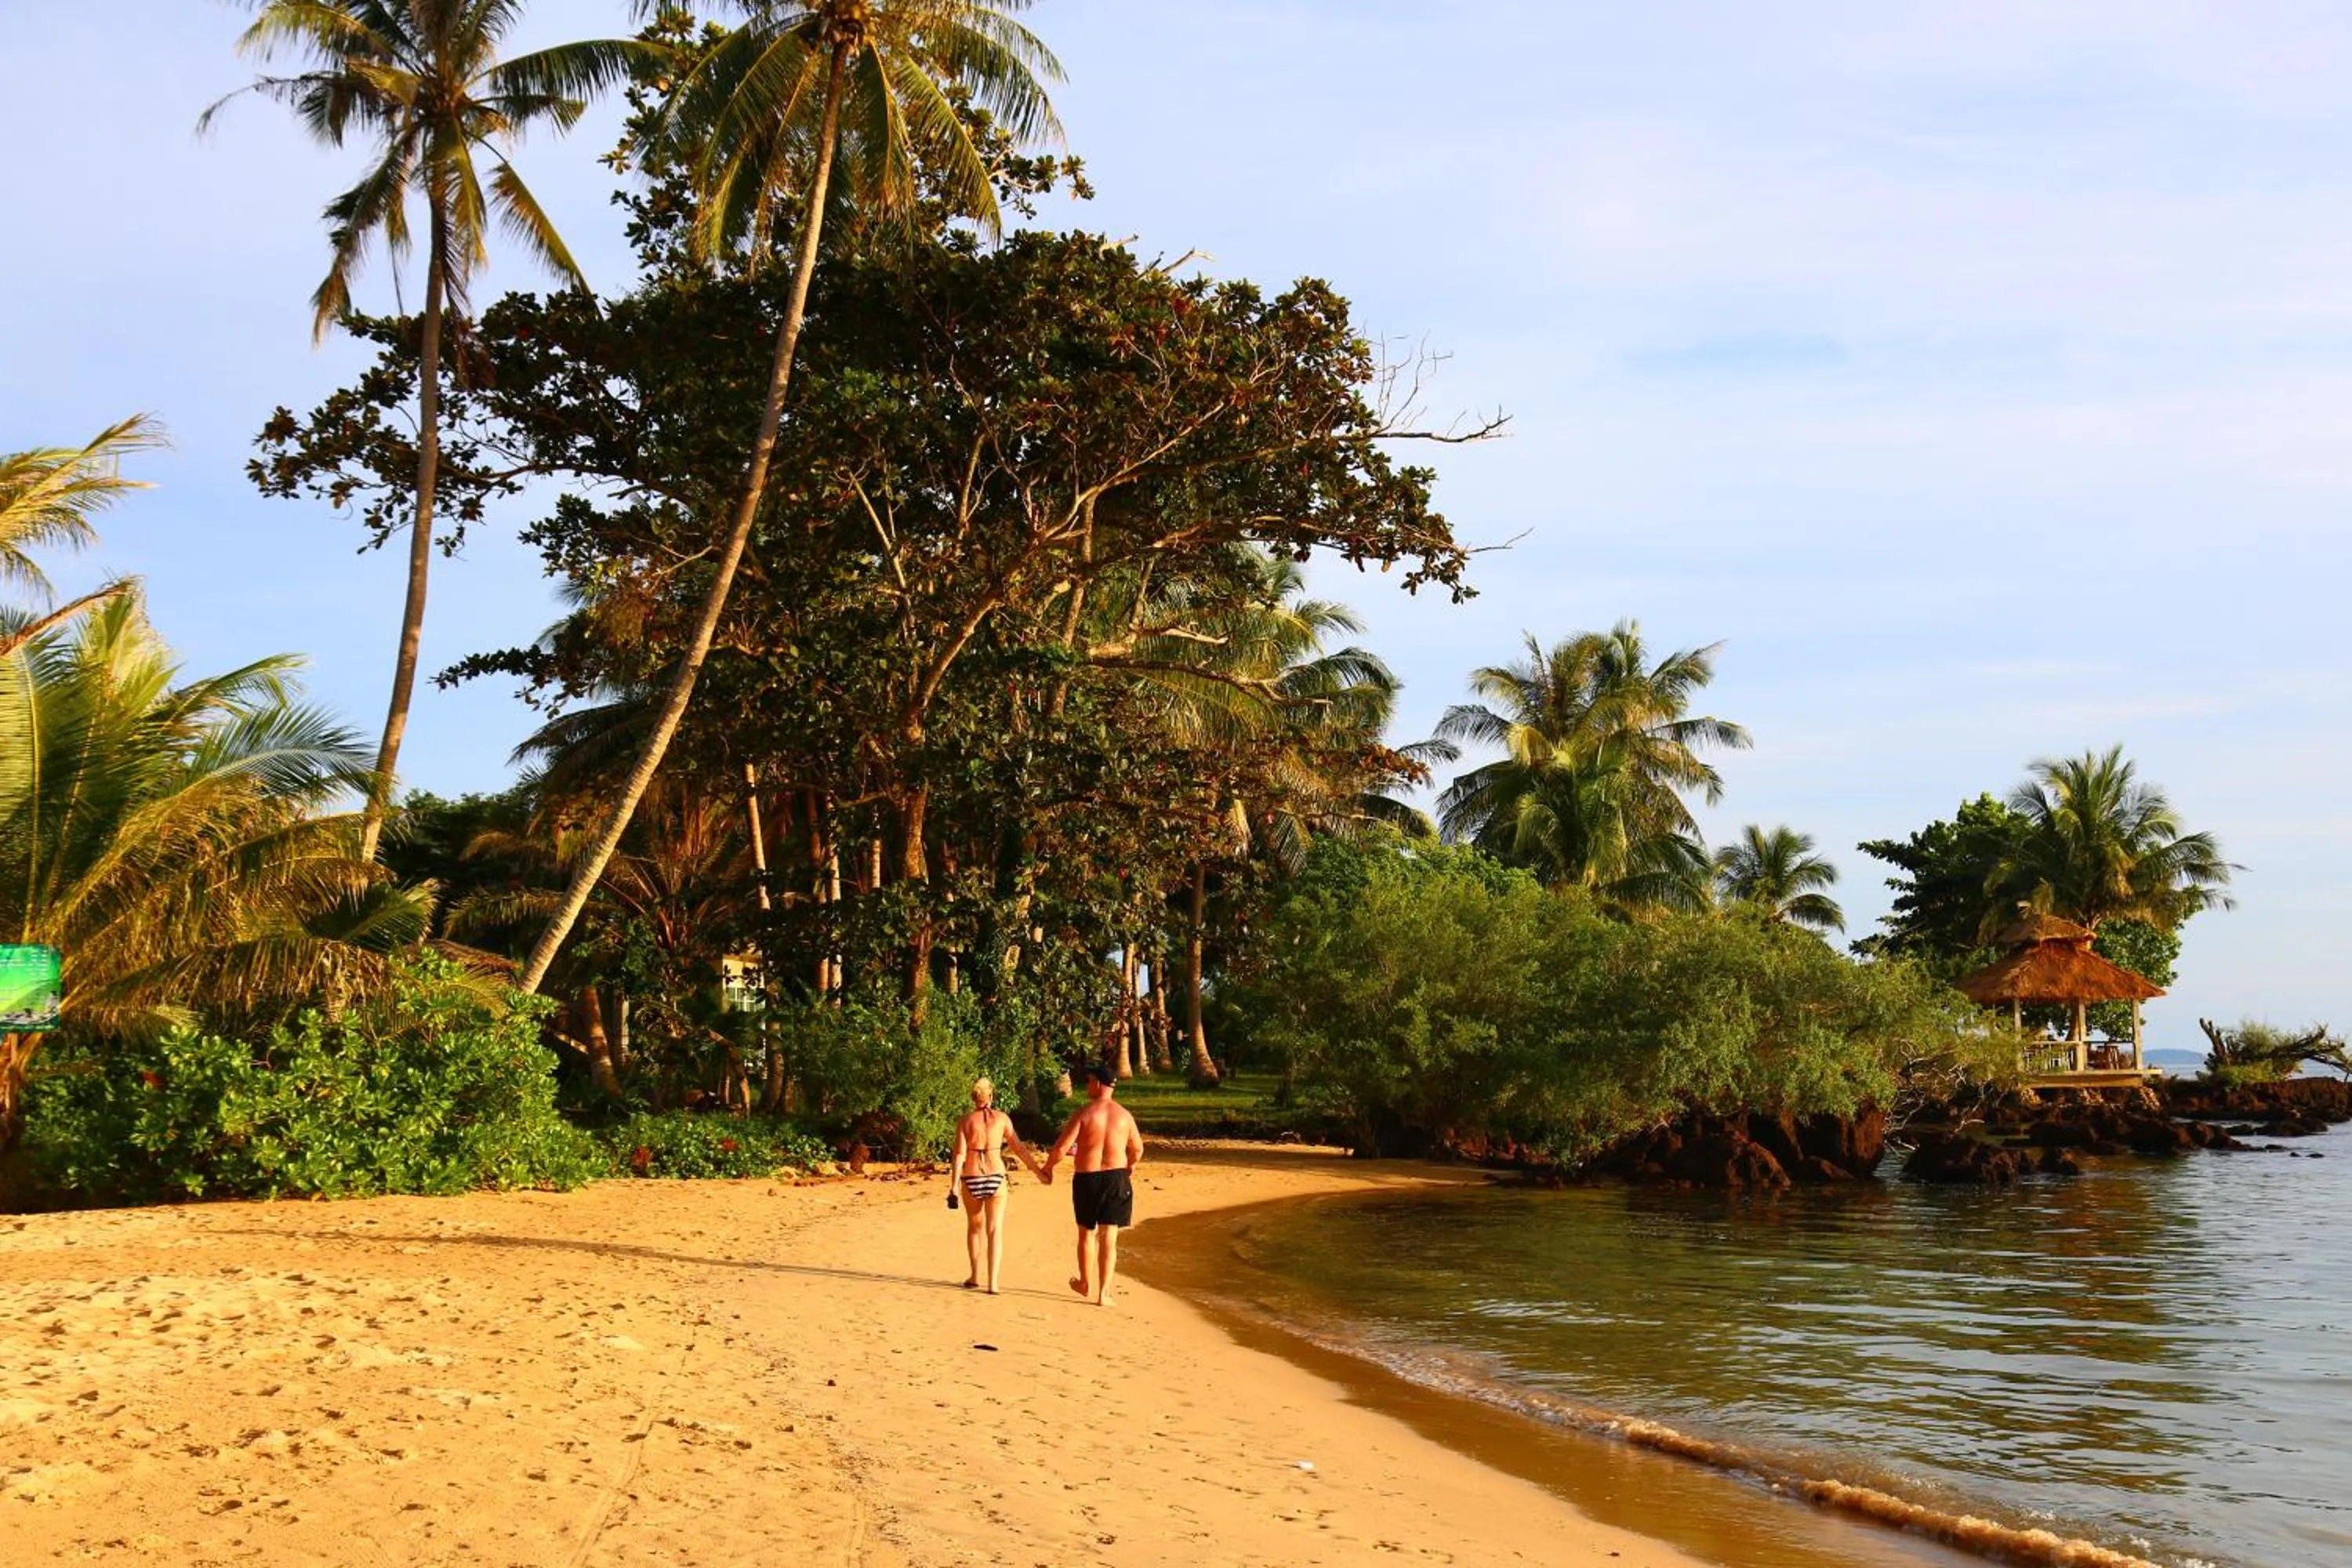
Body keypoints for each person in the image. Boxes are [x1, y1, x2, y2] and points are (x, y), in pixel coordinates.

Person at [1044, 1061, 1144, 1307]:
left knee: (1086, 1233)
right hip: (1115, 1178)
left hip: (1087, 1178)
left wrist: (1048, 1168)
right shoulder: (1125, 1116)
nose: (1087, 1085)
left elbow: (1061, 1148)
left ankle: (1085, 1282)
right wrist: (1130, 1165)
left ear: (1099, 1084)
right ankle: (1104, 1294)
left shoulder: (1084, 1114)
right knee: (1109, 1236)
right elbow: (1138, 1149)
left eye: (1089, 1081)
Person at [948, 1077, 1046, 1294]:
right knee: (995, 1230)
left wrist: (954, 1186)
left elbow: (959, 1155)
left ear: (974, 1097)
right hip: (996, 1176)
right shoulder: (1002, 1119)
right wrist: (1039, 1173)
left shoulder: (965, 1121)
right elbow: (1019, 1149)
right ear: (991, 1096)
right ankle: (993, 1283)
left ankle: (974, 1276)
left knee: (974, 1228)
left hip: (972, 1177)